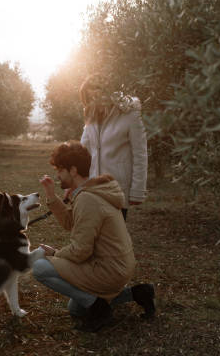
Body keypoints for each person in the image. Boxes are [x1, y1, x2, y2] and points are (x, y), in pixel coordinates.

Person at [33, 141, 155, 332]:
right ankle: (137, 293)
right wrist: (51, 195)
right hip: (119, 265)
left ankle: (100, 310)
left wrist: (56, 254)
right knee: (76, 308)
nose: (57, 175)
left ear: (73, 170)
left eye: (60, 170)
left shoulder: (88, 199)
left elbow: (81, 251)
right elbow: (69, 223)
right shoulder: (91, 191)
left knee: (40, 267)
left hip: (108, 269)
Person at [79, 74, 148, 220]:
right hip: (92, 188)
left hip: (117, 189)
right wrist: (75, 183)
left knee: (114, 239)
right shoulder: (91, 119)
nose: (93, 102)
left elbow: (140, 155)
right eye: (89, 98)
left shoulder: (130, 116)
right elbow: (82, 153)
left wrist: (137, 191)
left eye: (95, 96)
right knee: (92, 237)